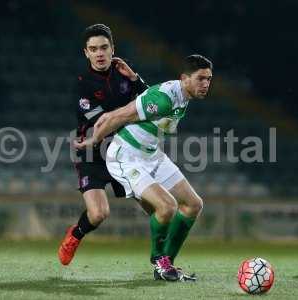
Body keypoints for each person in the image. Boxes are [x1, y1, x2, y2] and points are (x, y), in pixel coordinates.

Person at [75, 54, 212, 281]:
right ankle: (159, 261)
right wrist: (93, 140)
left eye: (208, 79)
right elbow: (114, 116)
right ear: (184, 78)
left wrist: (137, 79)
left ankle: (166, 264)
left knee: (193, 204)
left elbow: (150, 102)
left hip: (152, 155)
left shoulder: (181, 94)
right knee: (167, 207)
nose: (206, 84)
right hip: (126, 156)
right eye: (200, 79)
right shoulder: (166, 98)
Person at [58, 24, 149, 266]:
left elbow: (153, 105)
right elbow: (103, 122)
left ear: (112, 49)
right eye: (93, 49)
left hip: (125, 152)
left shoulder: (124, 74)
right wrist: (132, 112)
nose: (99, 53)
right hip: (92, 154)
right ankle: (75, 235)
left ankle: (163, 259)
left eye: (104, 47)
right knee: (99, 214)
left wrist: (135, 79)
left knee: (155, 206)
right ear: (85, 53)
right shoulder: (82, 84)